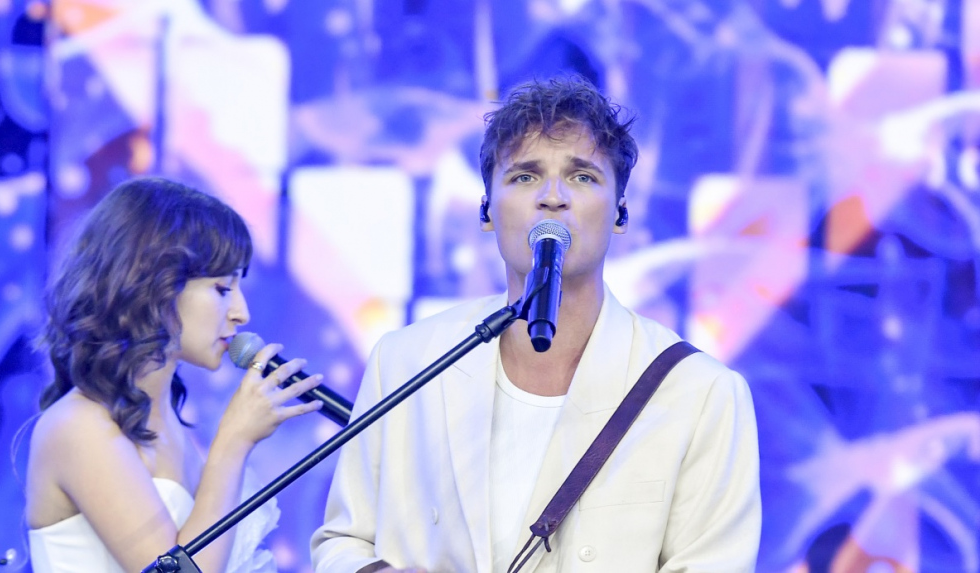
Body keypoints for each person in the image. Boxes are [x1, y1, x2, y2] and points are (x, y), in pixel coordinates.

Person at [310, 76, 761, 573]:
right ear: (486, 209)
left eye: (582, 177)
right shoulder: (406, 361)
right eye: (525, 177)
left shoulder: (701, 392)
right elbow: (342, 540)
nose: (552, 196)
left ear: (621, 212)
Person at [25, 177, 324, 573]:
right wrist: (234, 441)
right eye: (222, 289)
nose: (241, 313)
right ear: (154, 287)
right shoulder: (78, 426)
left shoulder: (168, 419)